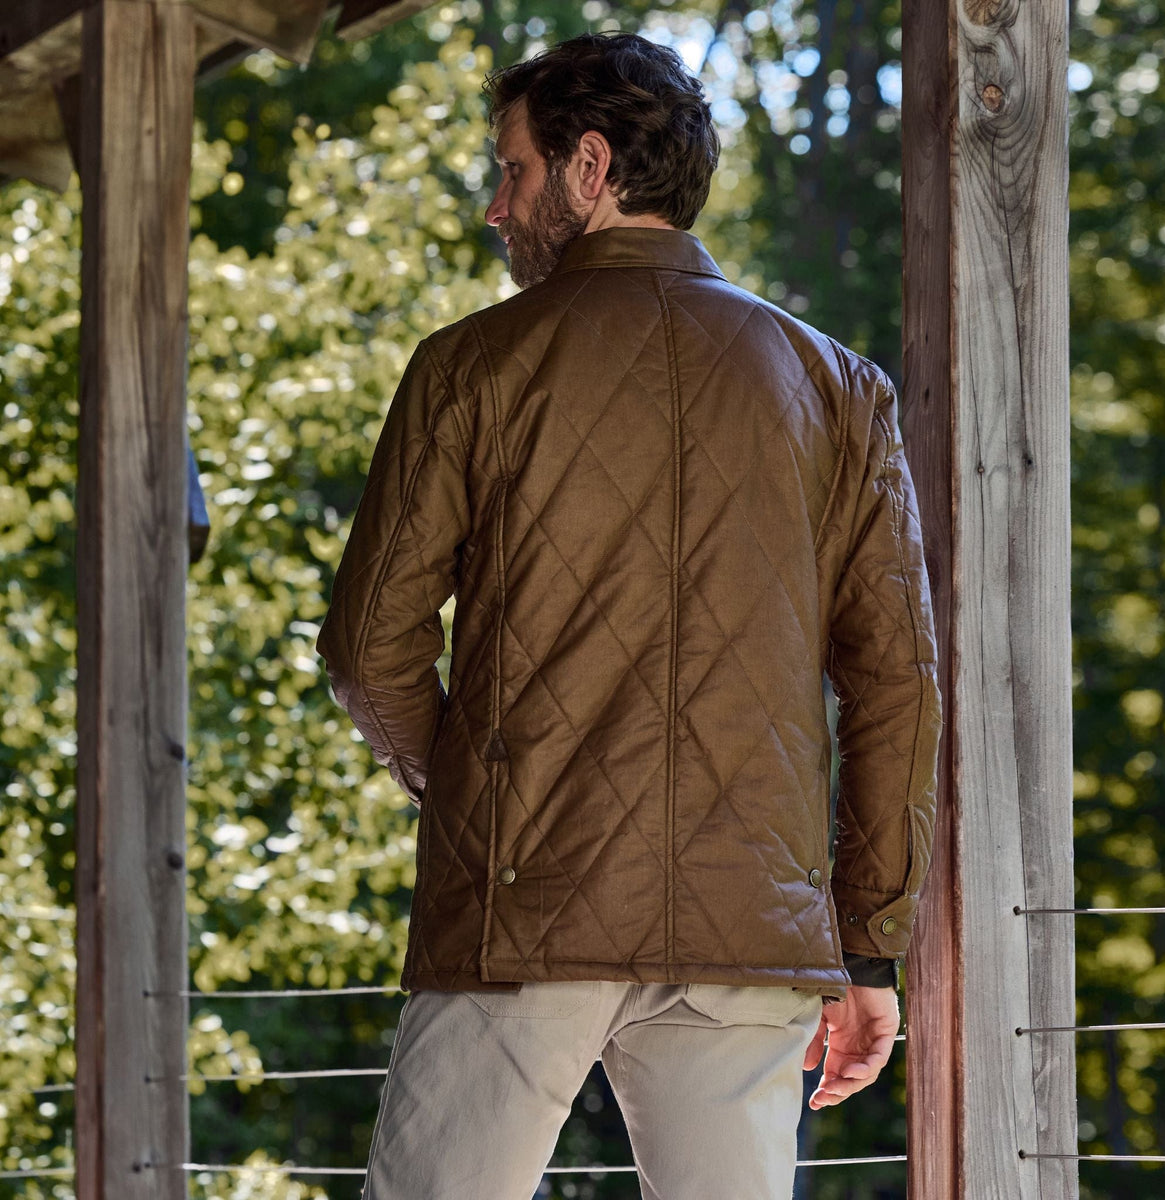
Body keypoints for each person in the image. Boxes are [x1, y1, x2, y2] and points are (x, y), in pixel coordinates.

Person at [317, 31, 940, 1200]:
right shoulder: (837, 386)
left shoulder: (469, 366)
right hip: (749, 923)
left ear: (590, 167)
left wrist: (473, 790)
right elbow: (896, 685)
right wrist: (866, 947)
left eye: (513, 171)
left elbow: (366, 650)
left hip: (519, 913)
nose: (498, 207)